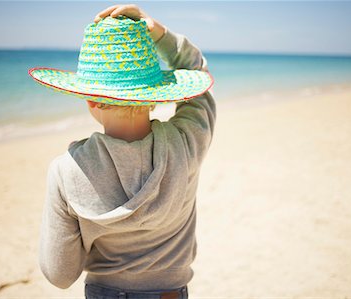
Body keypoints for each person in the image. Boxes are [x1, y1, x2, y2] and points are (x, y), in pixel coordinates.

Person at [30, 4, 216, 299]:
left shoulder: (66, 170)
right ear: (155, 97)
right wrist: (158, 32)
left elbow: (60, 274)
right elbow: (198, 73)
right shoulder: (187, 142)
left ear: (91, 100)